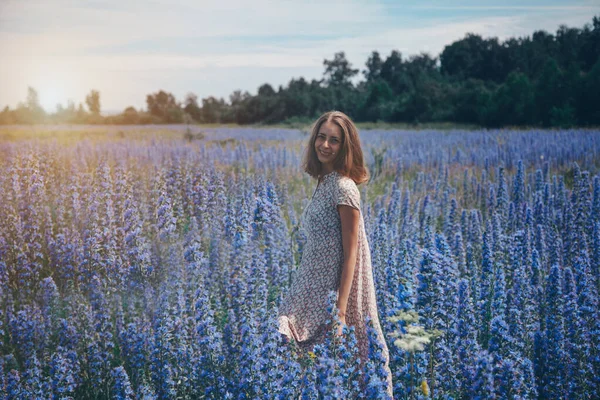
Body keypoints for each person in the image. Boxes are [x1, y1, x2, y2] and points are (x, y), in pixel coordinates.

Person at [278, 110, 393, 397]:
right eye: (321, 137)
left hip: (331, 294)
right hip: (310, 287)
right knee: (299, 361)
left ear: (346, 147)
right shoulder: (324, 182)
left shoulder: (344, 187)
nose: (325, 145)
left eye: (334, 141)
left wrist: (339, 313)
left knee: (337, 371)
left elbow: (352, 253)